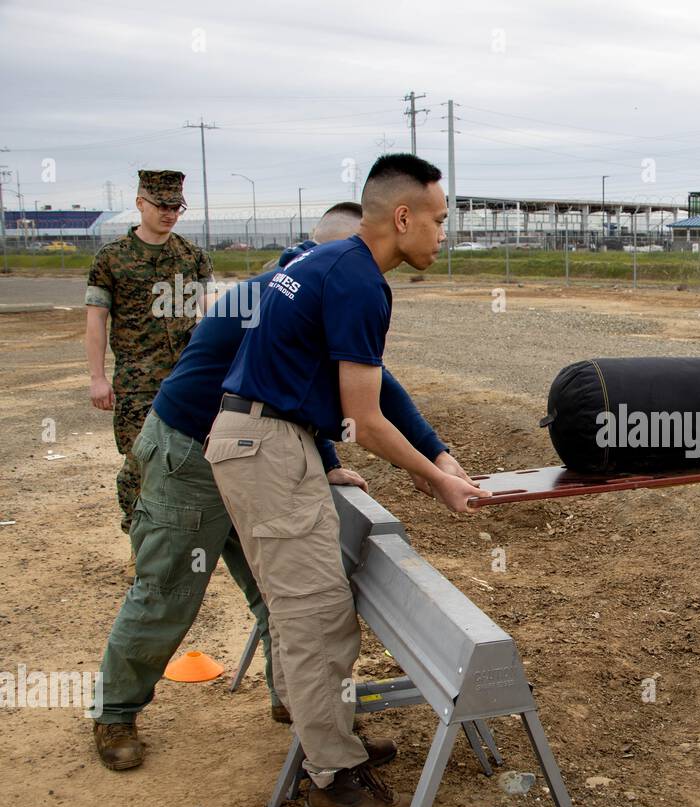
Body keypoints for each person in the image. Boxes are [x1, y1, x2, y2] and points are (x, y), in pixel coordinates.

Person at [91, 205, 462, 770]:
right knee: (168, 593)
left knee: (282, 594)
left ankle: (299, 705)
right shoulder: (277, 294)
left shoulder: (302, 284)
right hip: (191, 453)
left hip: (250, 454)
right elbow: (274, 391)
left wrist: (416, 452)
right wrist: (422, 465)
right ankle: (115, 713)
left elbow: (337, 384)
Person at [206, 154, 487, 807]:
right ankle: (333, 779)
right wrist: (439, 478)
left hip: (266, 438)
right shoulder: (361, 282)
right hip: (266, 448)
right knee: (315, 618)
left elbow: (296, 370)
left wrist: (321, 454)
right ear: (402, 217)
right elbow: (365, 417)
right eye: (440, 220)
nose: (443, 235)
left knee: (309, 610)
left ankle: (331, 741)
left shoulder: (320, 263)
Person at [86, 170, 214, 536]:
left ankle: (178, 539)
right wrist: (97, 378)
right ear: (141, 203)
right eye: (162, 205)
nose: (169, 213)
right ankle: (139, 541)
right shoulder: (112, 260)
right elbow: (96, 322)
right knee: (141, 463)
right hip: (137, 385)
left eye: (176, 207)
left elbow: (213, 312)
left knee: (188, 461)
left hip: (186, 381)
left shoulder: (192, 257)